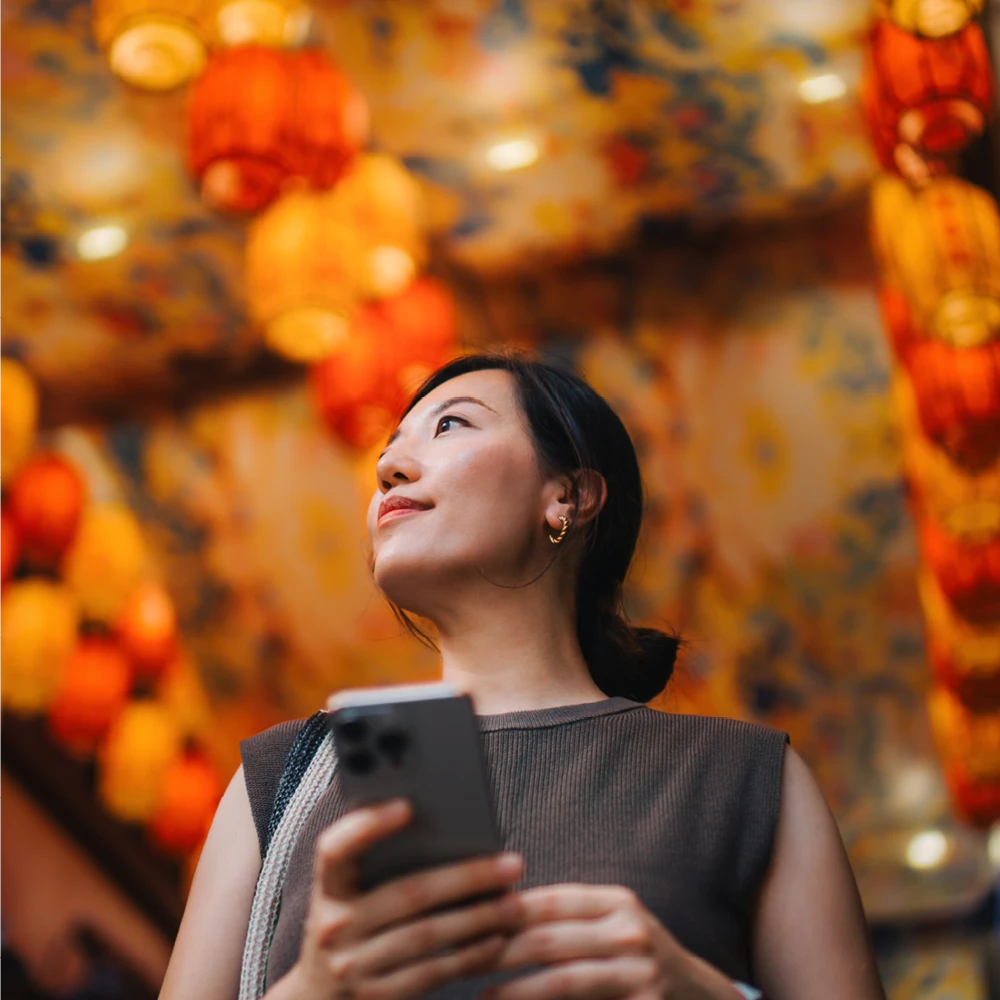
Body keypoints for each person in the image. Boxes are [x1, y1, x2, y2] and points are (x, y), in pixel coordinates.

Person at [159, 353, 886, 1000]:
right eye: (391, 448)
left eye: (450, 427)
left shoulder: (745, 780)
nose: (389, 468)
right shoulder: (283, 777)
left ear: (567, 497)